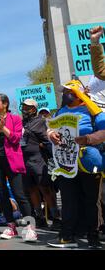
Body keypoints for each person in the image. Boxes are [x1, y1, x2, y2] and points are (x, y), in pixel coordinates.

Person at [47, 81, 105, 249]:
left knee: (90, 200)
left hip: (88, 160)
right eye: (64, 91)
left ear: (78, 93)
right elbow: (50, 128)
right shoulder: (61, 111)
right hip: (66, 162)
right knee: (68, 199)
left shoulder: (93, 110)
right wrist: (51, 134)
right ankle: (67, 236)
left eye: (68, 90)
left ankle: (93, 236)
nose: (65, 93)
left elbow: (103, 131)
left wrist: (88, 139)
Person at [0, 94, 35, 242]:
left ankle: (29, 227)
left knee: (19, 194)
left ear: (5, 104)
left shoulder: (16, 119)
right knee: (2, 194)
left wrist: (3, 127)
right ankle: (11, 226)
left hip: (12, 161)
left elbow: (16, 138)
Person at [20, 99, 59, 228]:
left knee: (45, 188)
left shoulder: (41, 121)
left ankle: (55, 217)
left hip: (38, 159)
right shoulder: (21, 123)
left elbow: (48, 139)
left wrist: (43, 145)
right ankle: (39, 217)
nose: (25, 109)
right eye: (23, 106)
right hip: (24, 161)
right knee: (31, 189)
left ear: (34, 109)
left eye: (28, 107)